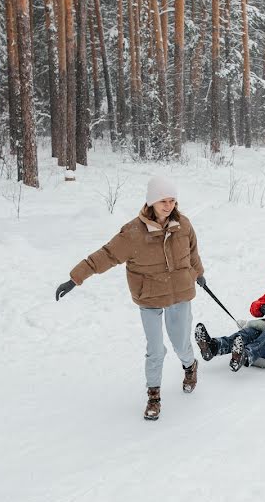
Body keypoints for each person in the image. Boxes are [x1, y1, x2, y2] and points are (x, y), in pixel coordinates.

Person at [54, 175, 204, 421]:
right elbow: (105, 255)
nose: (169, 206)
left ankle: (190, 366)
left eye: (172, 200)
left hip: (179, 293)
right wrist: (75, 278)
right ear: (151, 202)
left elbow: (192, 254)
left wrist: (199, 274)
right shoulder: (133, 233)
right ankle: (153, 395)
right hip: (150, 298)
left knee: (180, 344)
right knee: (155, 350)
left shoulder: (183, 225)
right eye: (163, 201)